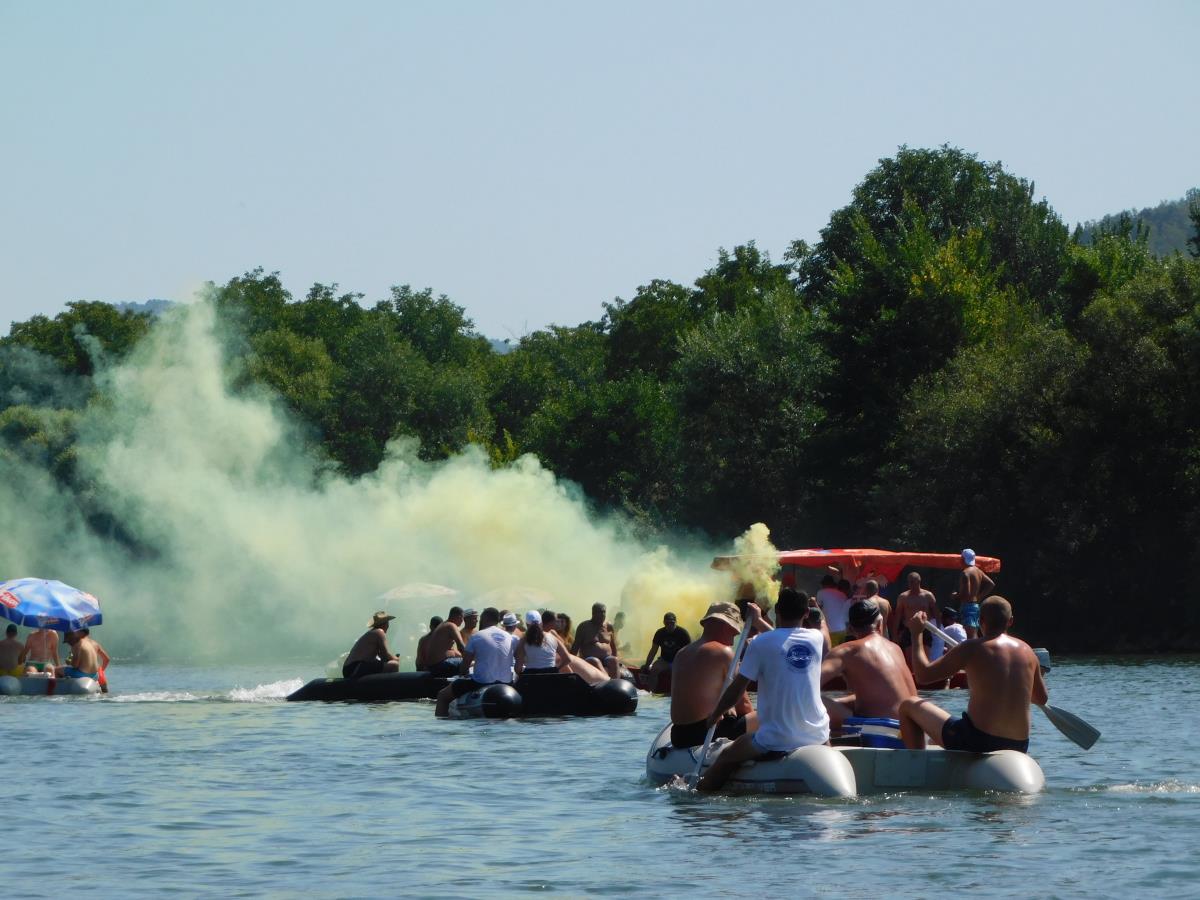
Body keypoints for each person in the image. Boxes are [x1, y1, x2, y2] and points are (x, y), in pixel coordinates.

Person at [697, 588, 829, 792]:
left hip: (776, 739)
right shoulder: (816, 639)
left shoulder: (759, 643)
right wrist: (816, 610)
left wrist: (715, 715)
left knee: (725, 757)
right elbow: (785, 640)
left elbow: (736, 689)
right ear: (805, 613)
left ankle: (698, 796)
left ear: (777, 610)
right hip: (819, 734)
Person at [898, 596, 1047, 753]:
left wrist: (916, 634)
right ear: (1010, 621)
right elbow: (1041, 699)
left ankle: (917, 763)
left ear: (980, 620)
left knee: (908, 705)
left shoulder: (971, 648)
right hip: (1020, 745)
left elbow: (923, 675)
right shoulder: (1028, 652)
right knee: (940, 734)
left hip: (978, 741)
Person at [668, 602, 756, 749]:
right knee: (766, 717)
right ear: (725, 626)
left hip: (678, 735)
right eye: (734, 633)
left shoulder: (681, 653)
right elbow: (745, 707)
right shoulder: (724, 653)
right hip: (705, 733)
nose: (733, 641)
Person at [820, 600, 918, 732]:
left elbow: (808, 686)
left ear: (850, 628)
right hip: (915, 730)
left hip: (885, 732)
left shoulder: (846, 651)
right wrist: (837, 703)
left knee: (810, 698)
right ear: (880, 623)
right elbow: (881, 696)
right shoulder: (896, 648)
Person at [435, 608, 518, 716]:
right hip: (507, 682)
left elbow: (465, 666)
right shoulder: (511, 638)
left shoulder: (476, 637)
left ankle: (440, 723)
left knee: (442, 696)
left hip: (481, 683)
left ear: (485, 618)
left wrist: (463, 674)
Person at [515, 609, 608, 684]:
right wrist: (556, 670)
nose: (559, 623)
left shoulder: (523, 641)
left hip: (534, 681)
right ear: (541, 623)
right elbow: (567, 659)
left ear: (527, 624)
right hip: (553, 679)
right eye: (556, 621)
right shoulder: (552, 637)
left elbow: (518, 668)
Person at [342, 612, 401, 679]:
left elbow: (382, 656)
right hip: (355, 667)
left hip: (349, 669)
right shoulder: (379, 632)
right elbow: (385, 655)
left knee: (383, 663)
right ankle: (393, 686)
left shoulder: (373, 633)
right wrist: (396, 659)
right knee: (394, 665)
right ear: (385, 624)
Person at [891, 572, 939, 650]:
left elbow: (936, 613)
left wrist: (938, 629)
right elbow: (897, 616)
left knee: (925, 655)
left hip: (925, 629)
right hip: (909, 630)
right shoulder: (903, 597)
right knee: (910, 655)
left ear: (919, 581)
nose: (911, 584)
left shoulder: (928, 596)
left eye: (913, 582)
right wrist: (894, 634)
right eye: (909, 582)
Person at [572, 602, 620, 678]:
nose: (602, 614)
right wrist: (571, 663)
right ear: (593, 613)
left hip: (607, 659)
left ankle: (616, 683)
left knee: (613, 660)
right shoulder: (584, 627)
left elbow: (613, 646)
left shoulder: (609, 626)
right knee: (595, 661)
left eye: (604, 612)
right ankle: (607, 682)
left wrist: (617, 659)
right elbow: (575, 646)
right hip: (589, 659)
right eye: (600, 612)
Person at [643, 613, 692, 683]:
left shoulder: (683, 633)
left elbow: (690, 652)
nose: (669, 625)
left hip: (679, 661)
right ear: (664, 623)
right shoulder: (660, 633)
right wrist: (647, 666)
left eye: (672, 623)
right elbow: (653, 651)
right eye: (667, 623)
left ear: (676, 622)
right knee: (654, 669)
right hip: (664, 661)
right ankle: (652, 689)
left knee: (680, 674)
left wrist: (688, 666)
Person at [958, 548, 995, 639]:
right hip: (975, 606)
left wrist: (956, 595)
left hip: (967, 607)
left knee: (970, 635)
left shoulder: (965, 573)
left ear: (963, 559)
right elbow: (991, 584)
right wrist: (979, 597)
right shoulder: (978, 571)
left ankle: (974, 649)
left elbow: (966, 593)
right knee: (973, 634)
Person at [425, 607, 469, 677]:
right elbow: (461, 646)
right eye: (462, 618)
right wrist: (470, 658)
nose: (462, 621)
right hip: (440, 665)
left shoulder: (442, 625)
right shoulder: (451, 626)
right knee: (472, 663)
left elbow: (451, 651)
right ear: (459, 617)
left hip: (431, 666)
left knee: (464, 660)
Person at [816, 575, 852, 645]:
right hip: (844, 629)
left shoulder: (820, 592)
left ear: (823, 584)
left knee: (833, 651)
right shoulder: (842, 594)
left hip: (831, 630)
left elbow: (818, 610)